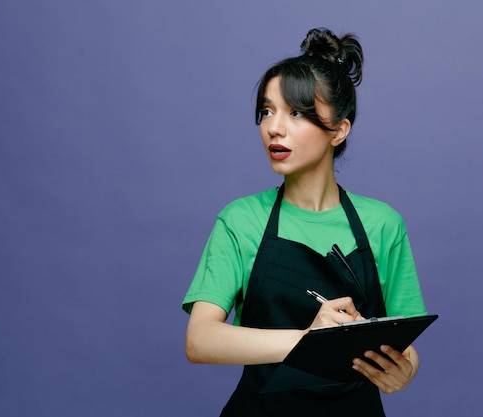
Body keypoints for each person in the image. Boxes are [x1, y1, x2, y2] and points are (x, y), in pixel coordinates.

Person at [182, 27, 427, 416]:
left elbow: (406, 344)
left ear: (339, 130)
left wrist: (404, 373)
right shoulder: (241, 220)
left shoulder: (383, 224)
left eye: (296, 112)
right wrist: (308, 339)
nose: (274, 127)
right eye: (267, 111)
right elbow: (200, 340)